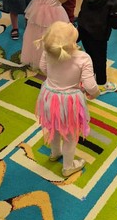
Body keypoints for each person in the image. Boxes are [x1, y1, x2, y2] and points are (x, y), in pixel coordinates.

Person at [36, 21, 100, 177]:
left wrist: (55, 78)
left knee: (54, 126)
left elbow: (42, 68)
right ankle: (68, 166)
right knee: (70, 134)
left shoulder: (48, 50)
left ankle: (55, 152)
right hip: (70, 102)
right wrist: (95, 93)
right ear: (72, 42)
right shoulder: (83, 58)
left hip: (49, 96)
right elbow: (90, 85)